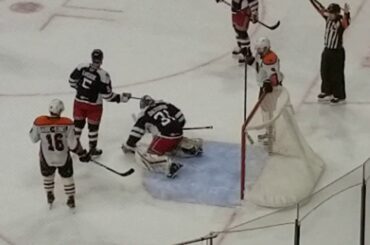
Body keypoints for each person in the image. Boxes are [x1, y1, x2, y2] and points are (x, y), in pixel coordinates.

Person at [69, 49, 132, 156]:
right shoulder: (103, 75)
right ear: (102, 59)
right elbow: (108, 96)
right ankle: (92, 149)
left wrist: (81, 90)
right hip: (94, 106)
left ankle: (73, 147)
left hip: (79, 102)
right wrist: (121, 98)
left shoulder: (81, 66)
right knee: (93, 129)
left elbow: (71, 81)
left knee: (77, 126)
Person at [121, 95, 203, 178]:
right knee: (171, 145)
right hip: (179, 133)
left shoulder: (144, 115)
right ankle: (190, 147)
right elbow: (181, 118)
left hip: (165, 137)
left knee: (146, 155)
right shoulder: (165, 105)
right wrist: (174, 126)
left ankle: (167, 165)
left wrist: (129, 145)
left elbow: (136, 132)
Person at [29, 99, 91, 209]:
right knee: (67, 177)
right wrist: (82, 154)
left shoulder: (39, 122)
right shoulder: (67, 123)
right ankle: (70, 198)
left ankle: (49, 194)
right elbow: (72, 144)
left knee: (47, 176)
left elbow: (33, 139)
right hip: (63, 157)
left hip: (46, 157)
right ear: (61, 110)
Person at [309, 1, 350, 104]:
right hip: (327, 50)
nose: (330, 14)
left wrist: (346, 13)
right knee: (324, 71)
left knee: (336, 74)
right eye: (330, 12)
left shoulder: (340, 21)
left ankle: (339, 95)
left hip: (337, 52)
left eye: (332, 13)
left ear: (336, 13)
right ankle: (327, 91)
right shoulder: (328, 18)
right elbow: (320, 9)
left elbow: (346, 23)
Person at [247, 37, 284, 145]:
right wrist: (252, 61)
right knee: (265, 111)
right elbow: (260, 69)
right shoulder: (262, 56)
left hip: (271, 89)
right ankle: (269, 132)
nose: (258, 51)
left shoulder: (270, 59)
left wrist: (269, 83)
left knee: (269, 112)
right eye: (257, 49)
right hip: (264, 87)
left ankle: (271, 135)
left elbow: (274, 76)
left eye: (260, 49)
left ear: (266, 48)